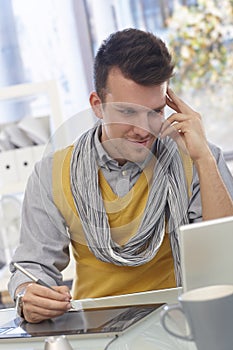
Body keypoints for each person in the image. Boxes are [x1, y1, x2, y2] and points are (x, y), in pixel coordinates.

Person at [8, 28, 233, 323]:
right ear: (97, 105)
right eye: (128, 112)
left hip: (182, 320)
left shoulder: (197, 158)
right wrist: (27, 295)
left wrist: (203, 157)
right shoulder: (51, 173)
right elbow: (31, 267)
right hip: (96, 327)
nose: (144, 129)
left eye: (155, 111)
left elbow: (225, 259)